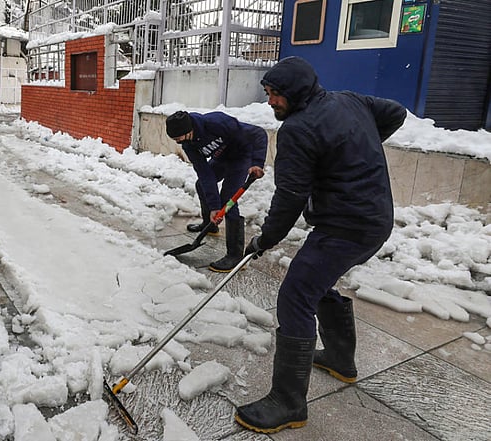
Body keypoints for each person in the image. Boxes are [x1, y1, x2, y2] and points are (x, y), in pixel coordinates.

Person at [234, 56, 406, 433]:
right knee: (316, 279)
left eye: (275, 95)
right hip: (376, 220)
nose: (270, 102)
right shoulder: (349, 101)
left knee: (294, 297)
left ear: (294, 93)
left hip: (346, 227)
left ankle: (288, 403)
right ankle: (340, 361)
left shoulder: (298, 130)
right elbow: (395, 112)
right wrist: (356, 148)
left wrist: (265, 239)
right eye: (267, 94)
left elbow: (290, 196)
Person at [165, 110, 267, 272]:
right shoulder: (188, 144)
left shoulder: (217, 122)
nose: (178, 142)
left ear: (189, 130)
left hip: (241, 157)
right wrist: (214, 208)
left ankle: (235, 255)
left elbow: (258, 134)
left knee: (228, 199)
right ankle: (210, 225)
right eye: (175, 139)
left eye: (179, 138)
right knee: (201, 185)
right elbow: (205, 173)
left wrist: (257, 162)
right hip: (222, 159)